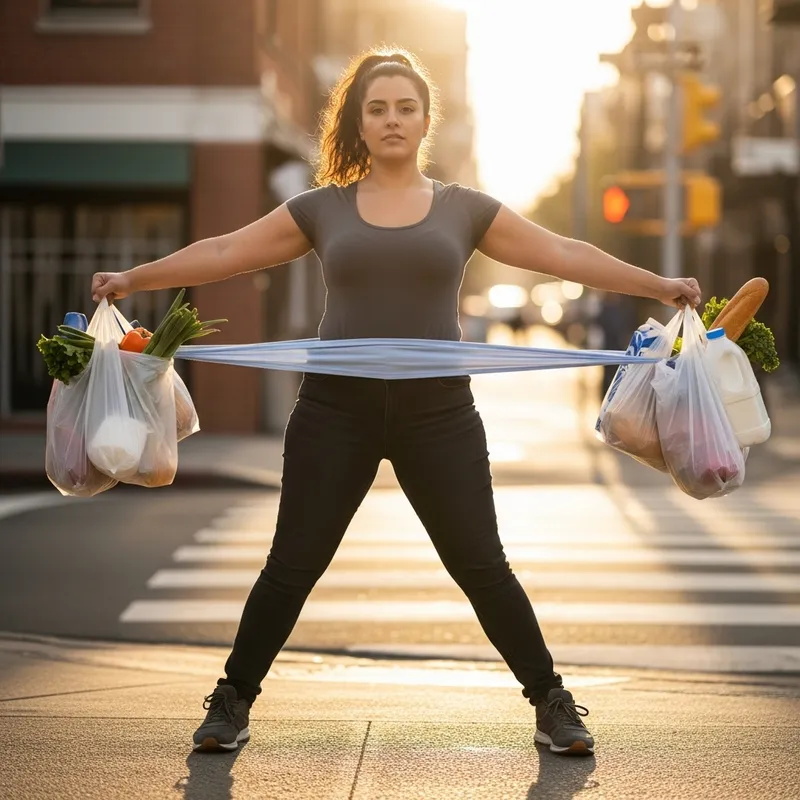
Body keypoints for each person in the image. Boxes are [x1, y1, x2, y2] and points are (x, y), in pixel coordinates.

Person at [91, 49, 702, 757]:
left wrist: (659, 285)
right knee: (292, 563)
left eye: (405, 108)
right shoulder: (322, 208)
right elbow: (229, 250)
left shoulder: (464, 209)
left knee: (481, 563)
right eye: (377, 107)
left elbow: (562, 252)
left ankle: (552, 703)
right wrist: (136, 278)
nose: (391, 120)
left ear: (424, 119)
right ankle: (231, 702)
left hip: (438, 413)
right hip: (334, 411)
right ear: (357, 119)